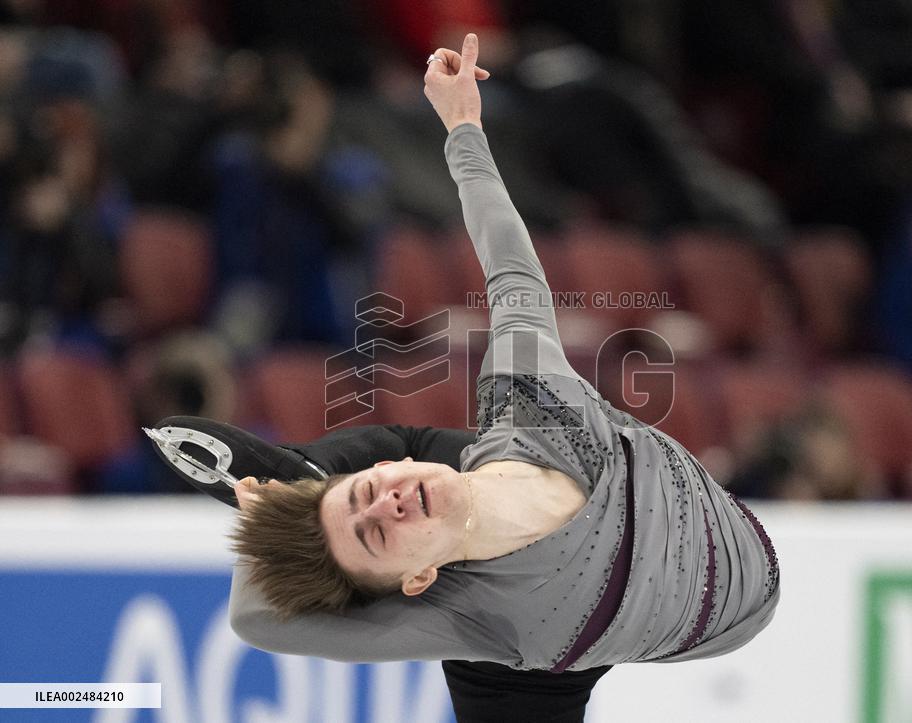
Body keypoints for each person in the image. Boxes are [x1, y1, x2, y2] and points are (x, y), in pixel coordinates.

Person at [148, 34, 779, 723]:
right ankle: (307, 489)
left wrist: (463, 128)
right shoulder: (466, 616)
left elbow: (510, 262)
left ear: (389, 470)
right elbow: (255, 620)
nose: (384, 505)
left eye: (367, 493)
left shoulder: (529, 399)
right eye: (375, 536)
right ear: (414, 582)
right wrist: (267, 513)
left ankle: (310, 479)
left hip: (637, 522)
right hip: (669, 621)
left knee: (426, 439)